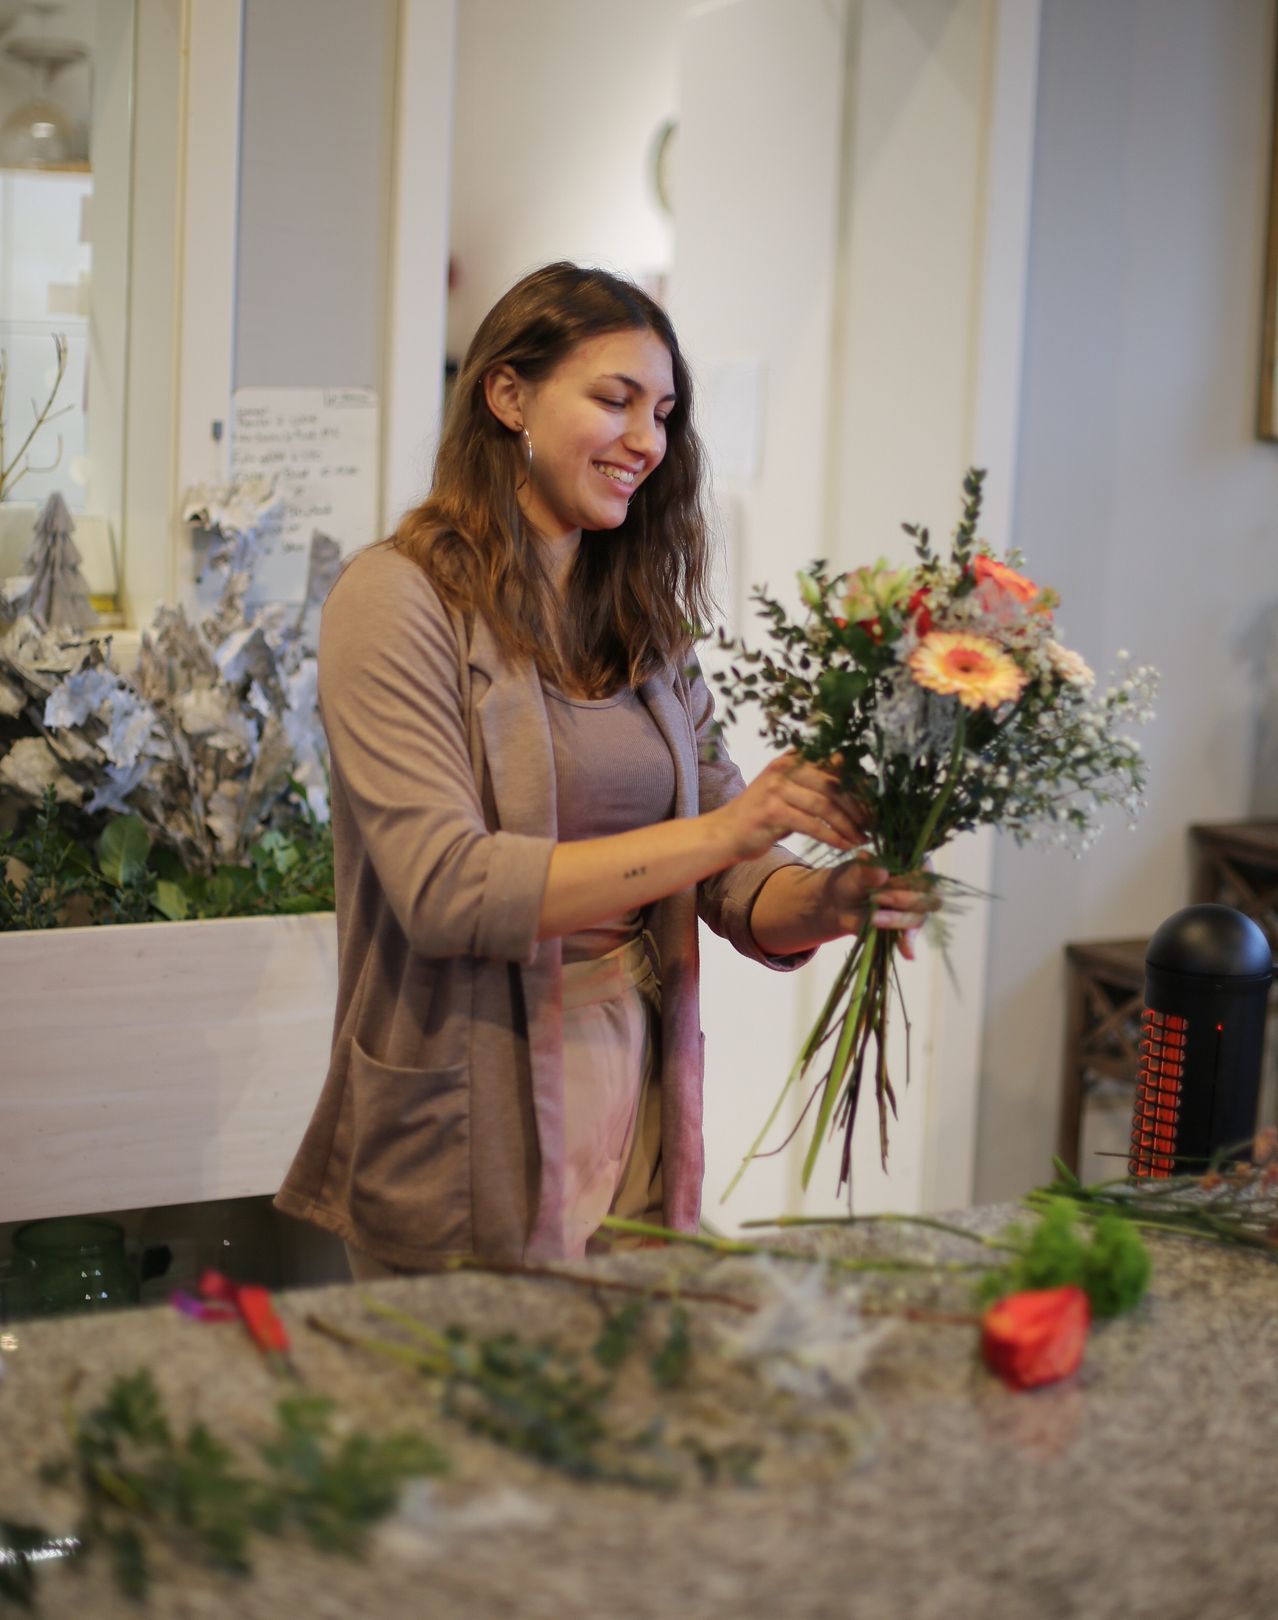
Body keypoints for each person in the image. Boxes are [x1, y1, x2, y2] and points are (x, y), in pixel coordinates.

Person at [274, 262, 931, 1275]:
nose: (646, 442)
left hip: (631, 1081)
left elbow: (733, 874)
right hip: (468, 1101)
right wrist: (725, 830)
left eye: (662, 412)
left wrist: (839, 899)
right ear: (509, 396)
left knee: (608, 1404)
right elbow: (448, 891)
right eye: (614, 400)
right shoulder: (394, 601)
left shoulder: (646, 625)